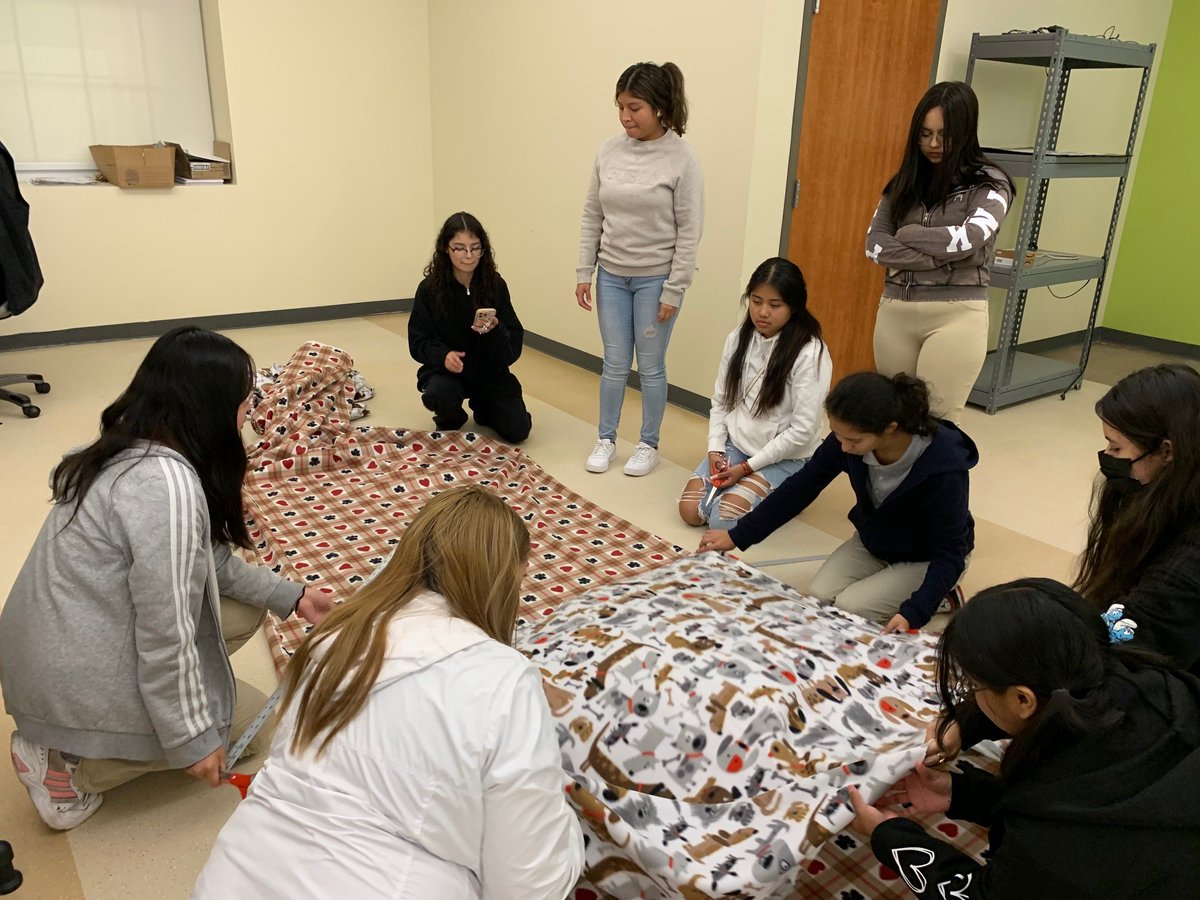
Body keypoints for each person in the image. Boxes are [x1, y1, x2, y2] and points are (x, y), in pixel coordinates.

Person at [0, 327, 330, 831]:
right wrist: (192, 737)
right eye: (244, 405)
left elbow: (209, 563)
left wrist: (293, 595)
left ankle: (92, 727)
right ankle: (68, 768)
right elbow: (165, 629)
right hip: (70, 677)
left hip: (53, 654)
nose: (250, 417)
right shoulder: (166, 486)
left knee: (242, 611)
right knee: (241, 729)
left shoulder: (132, 441)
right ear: (210, 407)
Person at [194, 485, 584, 899]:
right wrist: (571, 829)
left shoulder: (334, 639)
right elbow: (528, 885)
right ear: (506, 578)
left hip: (233, 875)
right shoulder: (507, 681)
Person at [848, 578, 1200, 898]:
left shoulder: (1055, 831)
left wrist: (890, 837)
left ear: (1022, 700)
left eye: (975, 685)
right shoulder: (1156, 686)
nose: (973, 696)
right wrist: (963, 793)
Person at [698, 372, 976, 632]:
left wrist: (915, 611)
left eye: (853, 440)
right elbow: (801, 487)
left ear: (890, 428)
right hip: (875, 541)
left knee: (851, 608)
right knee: (819, 596)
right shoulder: (848, 439)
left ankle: (944, 596)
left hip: (925, 555)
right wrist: (738, 535)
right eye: (837, 435)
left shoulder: (944, 466)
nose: (843, 447)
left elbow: (950, 551)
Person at [577, 61, 704, 477]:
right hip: (611, 274)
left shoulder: (681, 158)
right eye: (620, 107)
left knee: (650, 366)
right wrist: (584, 271)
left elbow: (690, 229)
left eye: (635, 108)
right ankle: (606, 439)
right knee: (614, 363)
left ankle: (648, 444)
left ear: (660, 108)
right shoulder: (608, 150)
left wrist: (675, 288)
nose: (626, 117)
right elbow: (592, 214)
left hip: (656, 279)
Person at [866, 81, 1015, 424]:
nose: (933, 144)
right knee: (894, 422)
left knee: (936, 424)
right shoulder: (902, 183)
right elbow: (874, 246)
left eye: (944, 135)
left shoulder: (991, 184)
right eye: (925, 134)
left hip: (956, 314)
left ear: (965, 133)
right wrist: (937, 254)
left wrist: (908, 235)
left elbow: (970, 238)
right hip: (896, 311)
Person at [679, 257, 831, 530]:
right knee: (690, 511)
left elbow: (803, 431)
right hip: (736, 447)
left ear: (794, 307)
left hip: (787, 457)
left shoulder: (811, 352)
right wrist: (715, 448)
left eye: (775, 305)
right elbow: (722, 401)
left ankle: (794, 492)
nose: (763, 312)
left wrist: (747, 469)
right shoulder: (738, 338)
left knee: (723, 521)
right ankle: (758, 489)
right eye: (756, 300)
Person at [409, 212, 531, 443]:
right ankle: (451, 413)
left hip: (488, 372)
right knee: (440, 395)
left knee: (517, 431)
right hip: (446, 373)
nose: (469, 256)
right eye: (460, 248)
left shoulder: (495, 284)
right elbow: (418, 341)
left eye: (475, 248)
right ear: (446, 248)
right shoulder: (429, 289)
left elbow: (513, 343)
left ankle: (484, 405)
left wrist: (495, 330)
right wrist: (443, 355)